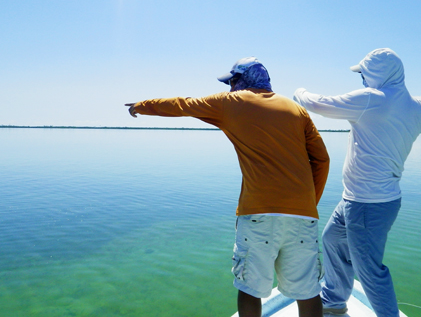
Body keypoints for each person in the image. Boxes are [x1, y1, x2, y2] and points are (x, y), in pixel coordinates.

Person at [126, 57, 330, 317]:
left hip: (258, 213)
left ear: (243, 80)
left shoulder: (231, 102)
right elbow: (322, 160)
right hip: (303, 215)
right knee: (308, 290)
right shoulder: (296, 110)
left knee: (250, 289)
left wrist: (142, 106)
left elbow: (183, 105)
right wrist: (308, 203)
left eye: (232, 80)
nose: (230, 86)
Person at [293, 48, 421, 317]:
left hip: (368, 205)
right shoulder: (416, 107)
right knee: (332, 238)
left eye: (364, 74)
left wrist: (299, 91)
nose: (362, 80)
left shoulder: (371, 99)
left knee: (370, 271)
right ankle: (333, 300)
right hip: (359, 199)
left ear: (377, 74)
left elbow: (318, 104)